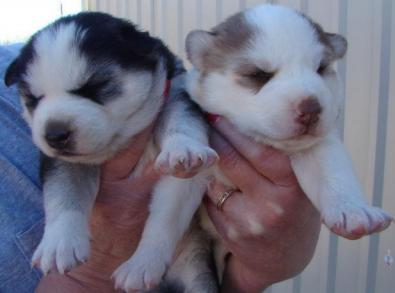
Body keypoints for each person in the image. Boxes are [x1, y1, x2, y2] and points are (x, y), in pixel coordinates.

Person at [0, 44, 320, 293]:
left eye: (96, 88)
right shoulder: (31, 82)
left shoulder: (34, 65)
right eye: (36, 100)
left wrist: (254, 270)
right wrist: (89, 271)